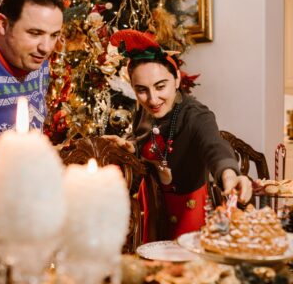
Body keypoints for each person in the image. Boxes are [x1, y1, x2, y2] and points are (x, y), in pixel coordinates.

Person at [107, 29, 253, 243]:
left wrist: (230, 175)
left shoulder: (196, 115)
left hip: (189, 212)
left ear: (176, 79)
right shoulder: (144, 110)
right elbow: (143, 140)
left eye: (160, 86)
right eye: (141, 90)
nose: (152, 99)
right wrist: (130, 146)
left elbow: (214, 146)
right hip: (153, 209)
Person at [0, 0, 64, 155]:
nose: (46, 48)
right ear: (3, 24)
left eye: (53, 35)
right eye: (34, 33)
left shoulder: (37, 59)